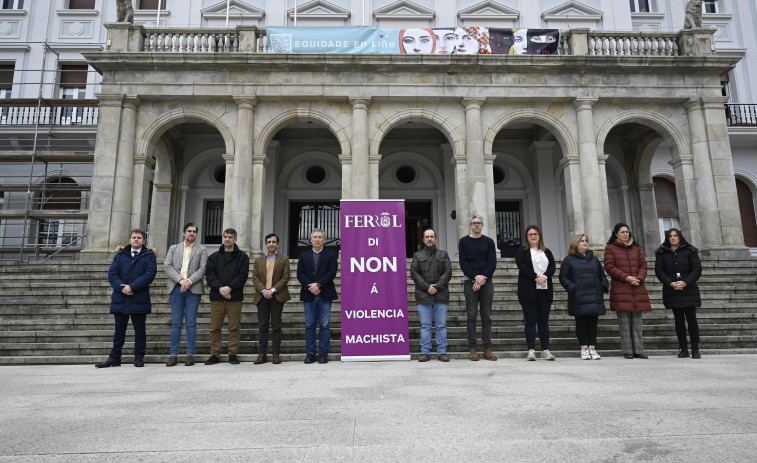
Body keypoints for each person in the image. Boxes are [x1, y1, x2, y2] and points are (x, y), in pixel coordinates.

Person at [96, 229, 157, 368]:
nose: (136, 240)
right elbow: (112, 274)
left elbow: (149, 275)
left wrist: (132, 287)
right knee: (119, 331)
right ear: (130, 239)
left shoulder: (149, 255)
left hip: (139, 298)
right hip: (121, 298)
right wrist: (122, 287)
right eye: (134, 237)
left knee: (140, 331)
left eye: (139, 238)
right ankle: (114, 358)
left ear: (144, 240)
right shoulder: (120, 255)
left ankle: (139, 358)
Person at [604, 223, 652, 359]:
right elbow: (609, 267)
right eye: (622, 232)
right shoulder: (610, 248)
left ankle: (639, 349)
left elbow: (643, 264)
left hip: (637, 288)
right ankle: (628, 350)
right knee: (624, 323)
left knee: (637, 322)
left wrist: (639, 278)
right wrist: (626, 278)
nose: (626, 234)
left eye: (627, 232)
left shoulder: (636, 248)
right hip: (621, 289)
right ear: (616, 234)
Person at [163, 223, 208, 367]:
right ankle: (173, 355)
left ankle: (190, 354)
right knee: (176, 322)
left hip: (193, 289)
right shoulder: (173, 248)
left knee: (191, 322)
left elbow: (202, 269)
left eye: (194, 231)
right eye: (189, 231)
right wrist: (181, 280)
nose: (192, 233)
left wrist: (188, 281)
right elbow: (167, 266)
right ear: (184, 233)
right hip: (176, 288)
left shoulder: (202, 250)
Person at [559, 234, 608, 360]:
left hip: (594, 295)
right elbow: (563, 277)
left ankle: (592, 348)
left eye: (586, 241)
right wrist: (572, 288)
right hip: (579, 296)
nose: (585, 243)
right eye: (582, 241)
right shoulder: (569, 260)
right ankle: (584, 348)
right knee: (581, 323)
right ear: (575, 244)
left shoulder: (594, 259)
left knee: (593, 323)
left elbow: (602, 275)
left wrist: (602, 286)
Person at [655, 228, 703, 358]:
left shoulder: (690, 251)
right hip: (672, 290)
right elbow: (659, 271)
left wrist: (685, 282)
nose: (673, 238)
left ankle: (695, 348)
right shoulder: (661, 253)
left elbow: (697, 269)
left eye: (675, 235)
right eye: (670, 236)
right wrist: (671, 283)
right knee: (679, 320)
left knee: (692, 319)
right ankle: (683, 348)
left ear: (680, 237)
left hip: (689, 289)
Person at [204, 228, 249, 365]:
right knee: (215, 328)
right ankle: (215, 354)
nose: (227, 239)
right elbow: (210, 275)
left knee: (234, 327)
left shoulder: (243, 257)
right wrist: (221, 288)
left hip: (234, 297)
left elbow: (242, 276)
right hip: (217, 297)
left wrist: (229, 287)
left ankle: (233, 354)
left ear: (235, 239)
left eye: (230, 237)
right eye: (225, 237)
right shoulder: (214, 257)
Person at [458, 215, 497, 361]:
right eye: (474, 223)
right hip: (470, 282)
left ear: (482, 225)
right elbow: (463, 263)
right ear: (470, 225)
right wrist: (475, 277)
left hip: (486, 282)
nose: (476, 225)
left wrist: (482, 278)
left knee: (486, 316)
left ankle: (487, 348)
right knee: (471, 316)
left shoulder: (489, 242)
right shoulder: (464, 242)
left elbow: (492, 263)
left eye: (479, 223)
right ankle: (472, 348)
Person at [297, 228, 338, 364]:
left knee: (325, 325)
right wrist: (311, 286)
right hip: (309, 294)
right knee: (310, 325)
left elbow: (332, 273)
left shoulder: (331, 255)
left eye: (320, 237)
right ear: (310, 239)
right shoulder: (303, 255)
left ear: (324, 240)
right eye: (315, 237)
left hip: (325, 293)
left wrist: (319, 285)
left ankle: (323, 354)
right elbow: (300, 274)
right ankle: (310, 353)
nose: (317, 239)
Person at [515, 225, 556, 361]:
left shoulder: (547, 251)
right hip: (528, 291)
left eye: (535, 234)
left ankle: (545, 350)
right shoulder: (522, 251)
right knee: (530, 321)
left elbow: (552, 266)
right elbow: (521, 265)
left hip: (544, 290)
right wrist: (535, 277)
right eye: (530, 234)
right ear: (527, 237)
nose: (533, 236)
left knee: (544, 322)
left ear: (539, 235)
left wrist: (545, 276)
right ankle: (531, 350)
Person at [410, 228, 452, 362]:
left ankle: (442, 352)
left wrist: (437, 286)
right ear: (423, 239)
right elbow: (414, 274)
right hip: (423, 295)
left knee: (441, 325)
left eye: (432, 236)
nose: (429, 239)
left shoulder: (443, 255)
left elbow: (448, 272)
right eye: (427, 237)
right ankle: (425, 352)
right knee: (425, 326)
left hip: (441, 295)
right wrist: (427, 287)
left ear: (436, 239)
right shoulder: (417, 256)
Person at [252, 233, 291, 365]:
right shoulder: (258, 260)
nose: (271, 244)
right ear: (266, 244)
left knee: (276, 325)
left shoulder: (284, 259)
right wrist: (264, 290)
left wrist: (272, 290)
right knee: (262, 326)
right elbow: (255, 278)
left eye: (274, 242)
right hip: (262, 296)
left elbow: (285, 277)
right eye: (269, 242)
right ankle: (262, 354)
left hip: (277, 296)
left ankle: (275, 353)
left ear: (277, 244)